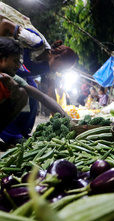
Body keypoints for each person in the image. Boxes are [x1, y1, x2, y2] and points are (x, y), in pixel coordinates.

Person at [0, 3, 76, 144]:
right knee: (7, 91)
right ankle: (8, 135)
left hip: (11, 68)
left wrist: (64, 119)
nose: (59, 72)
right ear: (57, 57)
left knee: (30, 92)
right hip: (4, 49)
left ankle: (22, 132)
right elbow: (4, 23)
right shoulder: (35, 42)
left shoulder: (49, 69)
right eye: (62, 68)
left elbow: (46, 95)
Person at [0, 37, 72, 138]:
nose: (18, 66)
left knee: (23, 92)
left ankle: (18, 134)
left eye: (19, 62)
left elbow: (41, 96)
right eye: (15, 61)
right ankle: (10, 135)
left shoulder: (13, 77)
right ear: (1, 59)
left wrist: (65, 117)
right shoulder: (37, 44)